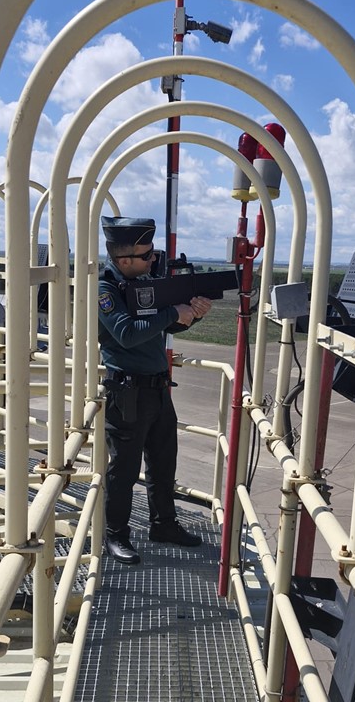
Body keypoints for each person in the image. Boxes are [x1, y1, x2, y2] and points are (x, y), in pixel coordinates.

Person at [97, 216, 213, 565]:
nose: (153, 260)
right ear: (124, 260)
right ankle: (116, 535)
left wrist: (192, 314)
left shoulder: (143, 283)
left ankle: (164, 524)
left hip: (158, 390)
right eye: (147, 255)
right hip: (127, 393)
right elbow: (127, 333)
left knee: (163, 464)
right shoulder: (105, 290)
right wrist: (171, 312)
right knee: (124, 470)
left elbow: (162, 325)